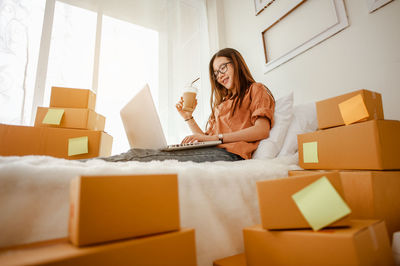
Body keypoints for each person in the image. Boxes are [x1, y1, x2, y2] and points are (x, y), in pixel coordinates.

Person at [100, 48, 275, 163]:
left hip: (231, 155)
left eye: (223, 68)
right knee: (148, 152)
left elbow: (262, 130)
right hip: (215, 150)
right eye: (216, 73)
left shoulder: (255, 90)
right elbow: (205, 138)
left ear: (236, 64)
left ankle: (86, 168)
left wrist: (216, 138)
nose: (220, 76)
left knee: (139, 156)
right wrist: (188, 117)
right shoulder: (220, 105)